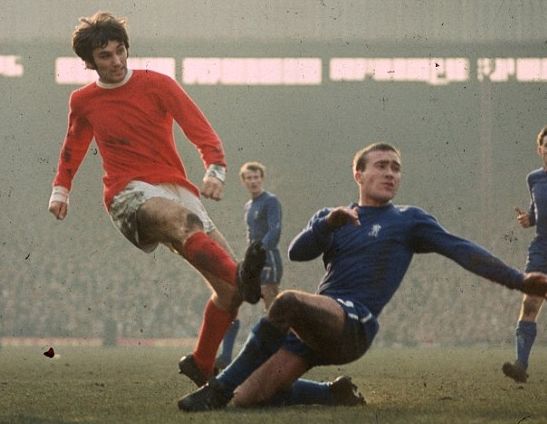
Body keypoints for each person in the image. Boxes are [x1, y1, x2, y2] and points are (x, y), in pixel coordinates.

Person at [178, 142, 547, 411]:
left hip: (354, 324)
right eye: (381, 165)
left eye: (396, 168)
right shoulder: (334, 216)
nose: (390, 173)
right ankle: (330, 393)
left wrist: (518, 280)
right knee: (248, 399)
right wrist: (327, 223)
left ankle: (216, 389)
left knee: (287, 301)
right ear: (358, 174)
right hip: (315, 326)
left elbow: (461, 249)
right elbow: (297, 252)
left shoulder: (408, 219)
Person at [47, 11, 266, 387]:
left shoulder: (157, 84)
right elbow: (74, 145)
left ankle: (201, 363)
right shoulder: (83, 101)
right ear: (90, 62)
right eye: (105, 56)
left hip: (176, 189)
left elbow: (198, 127)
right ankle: (244, 279)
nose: (116, 61)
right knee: (190, 229)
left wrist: (215, 169)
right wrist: (61, 189)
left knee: (230, 292)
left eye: (120, 51)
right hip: (128, 191)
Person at [216, 162, 283, 369]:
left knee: (272, 309)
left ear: (262, 178)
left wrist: (261, 249)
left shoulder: (270, 201)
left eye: (256, 177)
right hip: (253, 261)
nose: (253, 181)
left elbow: (275, 229)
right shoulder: (248, 206)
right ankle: (225, 356)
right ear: (243, 181)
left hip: (268, 259)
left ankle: (278, 358)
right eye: (249, 178)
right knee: (235, 301)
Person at [502, 126, 547, 383]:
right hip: (541, 248)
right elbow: (536, 212)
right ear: (540, 149)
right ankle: (520, 365)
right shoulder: (534, 179)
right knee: (530, 303)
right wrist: (528, 219)